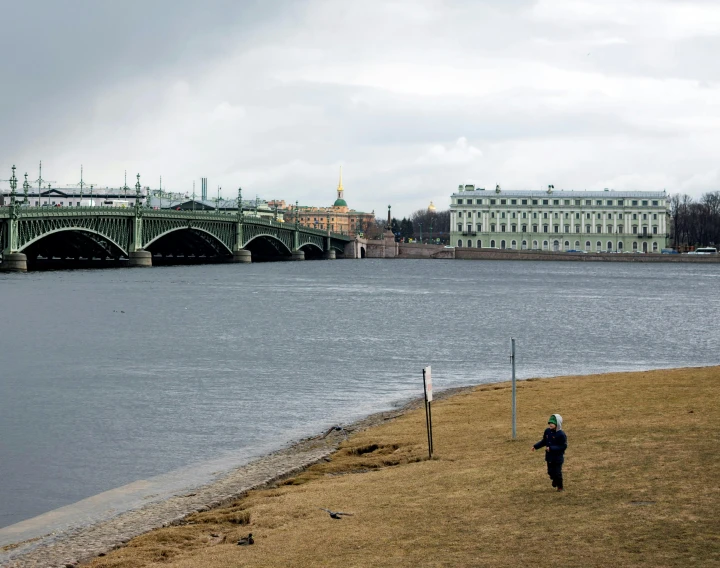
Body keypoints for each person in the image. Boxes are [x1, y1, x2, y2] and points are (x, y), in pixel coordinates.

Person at [532, 414, 567, 491]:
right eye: (550, 422)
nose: (550, 424)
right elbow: (544, 441)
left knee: (558, 472)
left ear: (557, 424)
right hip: (549, 457)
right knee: (550, 472)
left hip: (557, 458)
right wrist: (535, 446)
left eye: (552, 423)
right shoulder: (547, 431)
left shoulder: (561, 434)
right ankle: (554, 479)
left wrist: (551, 448)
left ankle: (560, 487)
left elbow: (563, 446)